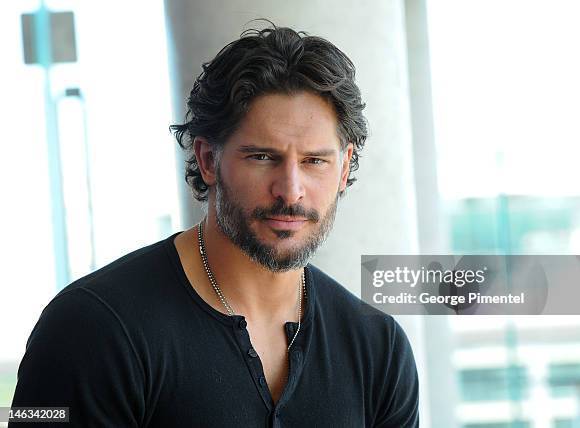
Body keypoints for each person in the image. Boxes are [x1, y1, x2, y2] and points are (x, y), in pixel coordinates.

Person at [11, 24, 419, 427]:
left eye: (315, 161)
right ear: (208, 159)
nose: (291, 190)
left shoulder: (378, 348)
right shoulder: (90, 328)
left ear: (344, 166)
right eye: (262, 157)